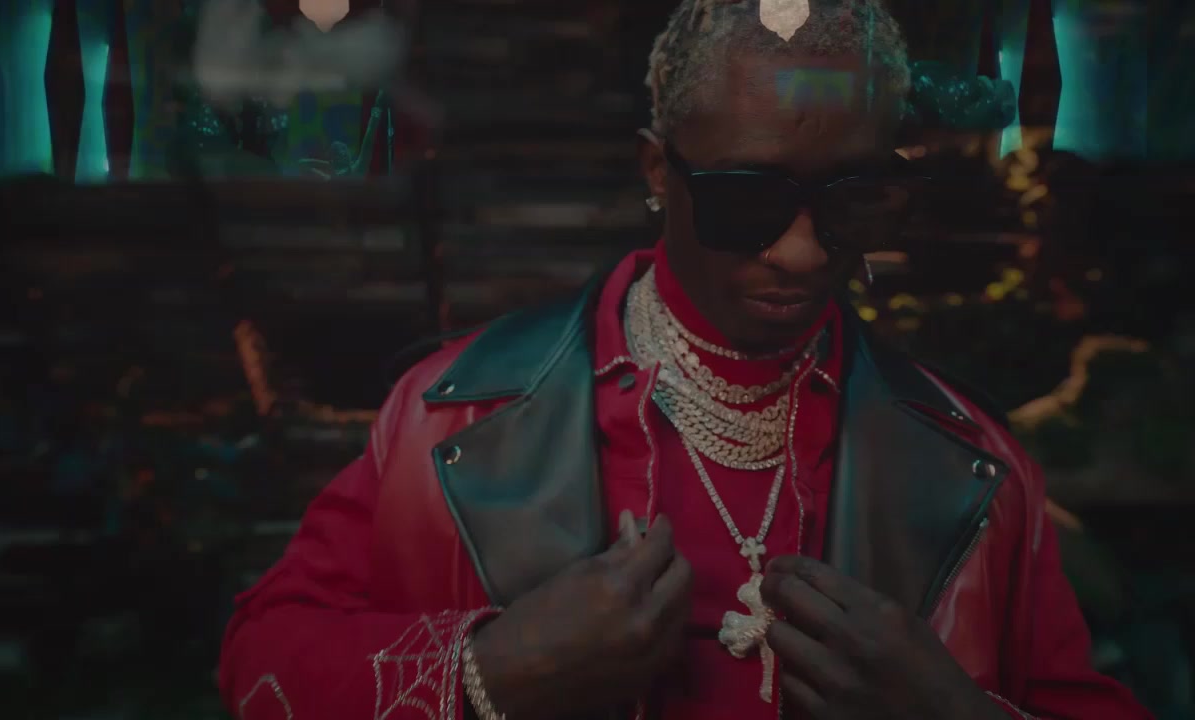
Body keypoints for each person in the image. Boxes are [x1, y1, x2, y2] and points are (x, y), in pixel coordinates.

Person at [219, 1, 1153, 719]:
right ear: (658, 174)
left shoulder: (980, 466)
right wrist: (487, 673)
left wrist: (950, 711)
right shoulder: (450, 414)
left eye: (853, 199)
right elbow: (260, 662)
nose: (802, 253)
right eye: (747, 199)